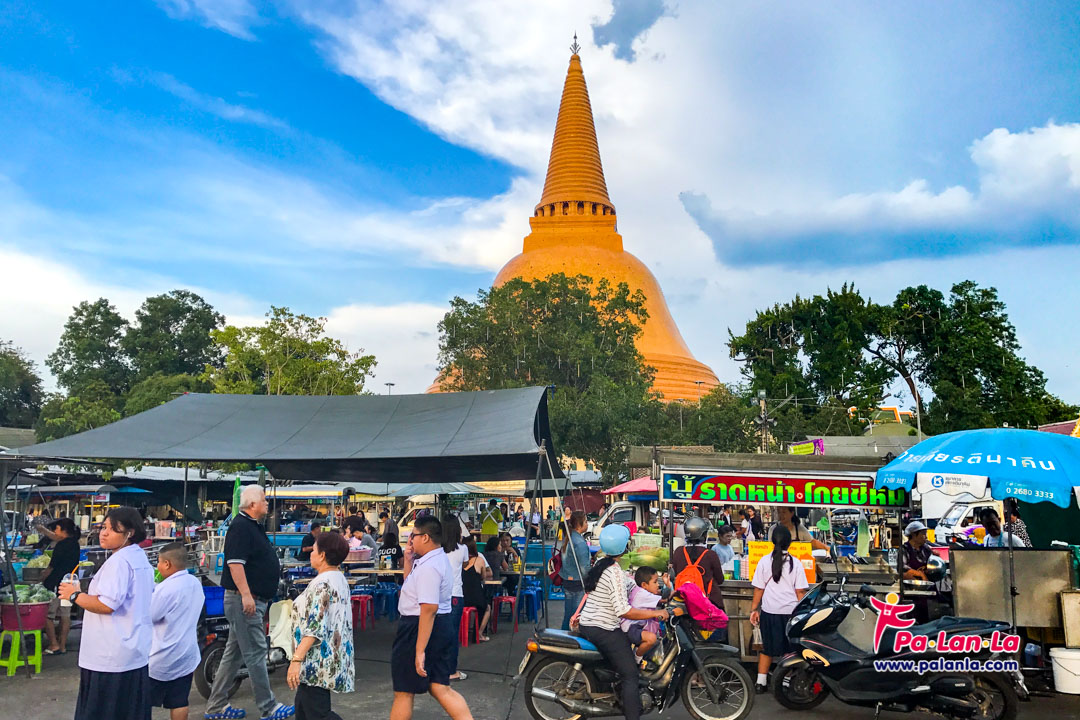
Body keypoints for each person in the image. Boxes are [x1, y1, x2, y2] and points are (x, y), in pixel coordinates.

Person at [57, 507, 155, 720]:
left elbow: (107, 605)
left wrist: (74, 595)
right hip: (132, 650)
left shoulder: (119, 562)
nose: (104, 533)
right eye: (104, 527)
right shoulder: (139, 558)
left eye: (113, 529)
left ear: (129, 533)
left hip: (109, 655)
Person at [205, 485, 293, 720]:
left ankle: (216, 705)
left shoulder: (251, 526)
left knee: (234, 654)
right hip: (245, 600)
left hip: (249, 599)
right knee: (255, 652)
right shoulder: (241, 527)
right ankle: (268, 706)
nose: (267, 504)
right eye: (264, 500)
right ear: (252, 504)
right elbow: (235, 563)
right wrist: (246, 594)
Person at [576, 525, 672, 720]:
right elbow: (623, 610)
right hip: (602, 628)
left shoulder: (603, 565)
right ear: (624, 547)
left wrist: (661, 596)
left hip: (590, 623)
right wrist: (655, 613)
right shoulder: (614, 573)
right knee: (630, 674)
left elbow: (632, 587)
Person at [390, 517, 474, 720]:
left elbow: (428, 608)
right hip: (437, 624)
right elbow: (412, 584)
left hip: (419, 626)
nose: (410, 540)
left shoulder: (430, 566)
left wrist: (419, 651)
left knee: (403, 691)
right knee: (439, 686)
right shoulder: (433, 559)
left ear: (425, 537)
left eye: (413, 535)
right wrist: (409, 560)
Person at [288, 531, 354, 720]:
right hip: (328, 657)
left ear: (323, 555)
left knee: (317, 713)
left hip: (317, 661)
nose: (311, 553)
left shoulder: (322, 584)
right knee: (304, 708)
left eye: (314, 550)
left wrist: (296, 660)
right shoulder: (339, 579)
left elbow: (315, 628)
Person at [749, 526, 808, 694]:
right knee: (790, 650)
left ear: (772, 541)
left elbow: (759, 589)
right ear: (790, 543)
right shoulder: (795, 564)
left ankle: (761, 682)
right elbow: (800, 592)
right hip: (790, 613)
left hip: (769, 612)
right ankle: (785, 682)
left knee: (767, 648)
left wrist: (754, 610)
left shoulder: (764, 561)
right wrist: (802, 614)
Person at [149, 543, 204, 720]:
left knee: (142, 701)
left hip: (161, 656)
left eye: (158, 562)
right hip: (186, 654)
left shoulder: (165, 589)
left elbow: (150, 616)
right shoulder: (194, 583)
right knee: (179, 701)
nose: (157, 566)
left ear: (167, 564)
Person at [40, 518, 81, 654]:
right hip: (69, 584)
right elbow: (54, 537)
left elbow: (51, 567)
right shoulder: (75, 544)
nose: (55, 532)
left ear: (64, 531)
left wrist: (41, 579)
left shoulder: (61, 545)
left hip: (55, 584)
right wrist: (43, 530)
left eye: (57, 529)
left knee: (47, 615)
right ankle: (62, 646)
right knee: (65, 615)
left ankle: (53, 644)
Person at [671, 517, 726, 611]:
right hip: (708, 603)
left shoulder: (678, 552)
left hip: (683, 602)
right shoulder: (710, 554)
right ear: (704, 535)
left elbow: (674, 574)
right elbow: (720, 579)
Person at [441, 515, 469, 682]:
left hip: (437, 596)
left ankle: (436, 668)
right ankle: (451, 671)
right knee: (452, 635)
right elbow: (465, 565)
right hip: (456, 595)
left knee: (437, 633)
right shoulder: (463, 549)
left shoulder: (436, 550)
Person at [620, 566, 664, 663]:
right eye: (655, 582)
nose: (658, 585)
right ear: (644, 584)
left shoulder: (639, 590)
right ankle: (636, 659)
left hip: (634, 626)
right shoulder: (642, 594)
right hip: (631, 628)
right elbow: (663, 600)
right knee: (651, 638)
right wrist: (672, 589)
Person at [558, 511, 591, 631]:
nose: (587, 524)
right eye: (586, 522)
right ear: (580, 524)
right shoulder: (579, 542)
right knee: (576, 617)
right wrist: (591, 582)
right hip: (577, 582)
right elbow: (584, 568)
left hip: (568, 580)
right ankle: (570, 641)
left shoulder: (570, 538)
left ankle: (562, 637)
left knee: (568, 615)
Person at [460, 537, 493, 642]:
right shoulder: (479, 560)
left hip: (461, 596)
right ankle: (479, 633)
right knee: (487, 608)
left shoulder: (458, 560)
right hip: (475, 596)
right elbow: (484, 577)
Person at [901, 521, 933, 624]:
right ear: (914, 535)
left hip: (925, 593)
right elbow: (902, 569)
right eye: (923, 534)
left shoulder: (926, 549)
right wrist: (920, 574)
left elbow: (932, 563)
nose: (926, 537)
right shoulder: (904, 549)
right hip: (910, 593)